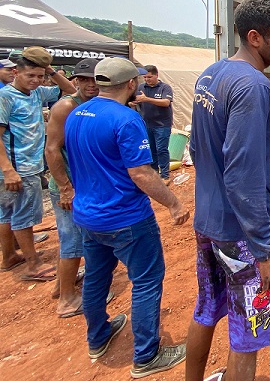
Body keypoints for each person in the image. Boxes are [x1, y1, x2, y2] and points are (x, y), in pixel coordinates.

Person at [185, 0, 270, 381]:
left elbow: (198, 148)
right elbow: (244, 174)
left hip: (208, 220)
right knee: (249, 331)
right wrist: (266, 248)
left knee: (206, 309)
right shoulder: (253, 86)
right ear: (255, 37)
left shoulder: (210, 74)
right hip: (242, 233)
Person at [65, 57, 190, 377]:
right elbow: (142, 174)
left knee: (95, 278)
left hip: (88, 217)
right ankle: (146, 355)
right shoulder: (126, 119)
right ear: (131, 84)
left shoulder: (76, 113)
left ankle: (98, 338)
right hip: (127, 218)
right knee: (147, 281)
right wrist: (174, 204)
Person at [0, 47, 75, 280]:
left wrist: (50, 70)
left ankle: (9, 256)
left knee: (7, 214)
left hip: (24, 166)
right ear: (16, 73)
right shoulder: (6, 97)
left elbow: (70, 90)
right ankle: (32, 264)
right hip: (20, 167)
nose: (35, 80)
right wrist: (8, 170)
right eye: (30, 75)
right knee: (24, 214)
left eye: (39, 76)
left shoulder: (36, 93)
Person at [44, 58, 105, 317]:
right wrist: (65, 187)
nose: (90, 84)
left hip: (85, 185)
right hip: (69, 187)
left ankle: (61, 286)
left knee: (78, 240)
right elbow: (52, 149)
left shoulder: (92, 104)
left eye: (95, 79)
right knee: (73, 243)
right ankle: (67, 299)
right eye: (84, 80)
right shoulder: (66, 107)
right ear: (76, 81)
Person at [132, 65, 174, 184]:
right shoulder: (141, 87)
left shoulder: (165, 88)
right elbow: (136, 101)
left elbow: (166, 102)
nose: (147, 79)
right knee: (151, 149)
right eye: (145, 77)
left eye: (149, 77)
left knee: (162, 149)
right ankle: (154, 173)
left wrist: (147, 99)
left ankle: (165, 175)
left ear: (156, 75)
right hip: (147, 123)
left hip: (162, 124)